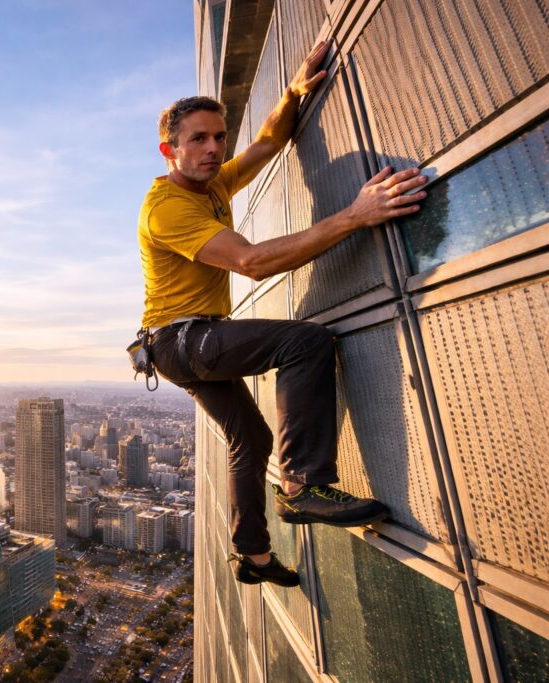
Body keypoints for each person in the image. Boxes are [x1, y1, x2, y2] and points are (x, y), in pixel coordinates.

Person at [138, 40, 428, 587]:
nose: (213, 149)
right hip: (182, 342)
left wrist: (293, 91)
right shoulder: (167, 207)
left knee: (252, 439)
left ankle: (254, 556)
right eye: (197, 139)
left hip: (183, 346)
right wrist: (355, 215)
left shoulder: (214, 183)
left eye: (219, 137)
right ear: (168, 150)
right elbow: (251, 262)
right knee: (306, 342)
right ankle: (303, 486)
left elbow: (270, 139)